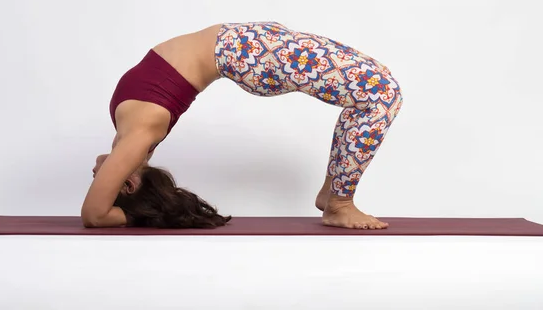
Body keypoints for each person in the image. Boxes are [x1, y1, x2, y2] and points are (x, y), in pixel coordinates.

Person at [82, 22, 403, 230]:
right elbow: (94, 214)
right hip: (248, 55)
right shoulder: (141, 134)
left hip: (249, 46)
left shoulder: (127, 126)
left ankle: (332, 191)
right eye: (103, 179)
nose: (96, 174)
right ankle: (339, 203)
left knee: (374, 86)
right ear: (128, 184)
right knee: (383, 93)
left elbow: (103, 197)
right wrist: (139, 215)